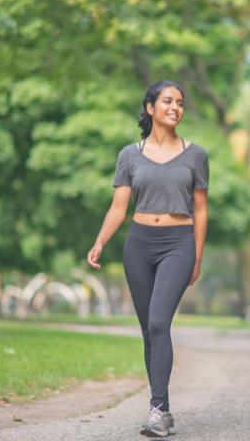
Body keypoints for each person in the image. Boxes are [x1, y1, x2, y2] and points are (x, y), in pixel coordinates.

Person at [86, 80, 208, 438]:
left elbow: (201, 210)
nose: (175, 107)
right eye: (168, 101)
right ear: (150, 107)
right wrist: (99, 242)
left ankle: (156, 410)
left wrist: (197, 256)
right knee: (149, 332)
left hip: (178, 243)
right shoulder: (129, 155)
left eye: (180, 102)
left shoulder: (196, 154)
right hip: (139, 244)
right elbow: (118, 207)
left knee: (158, 323)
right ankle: (162, 409)